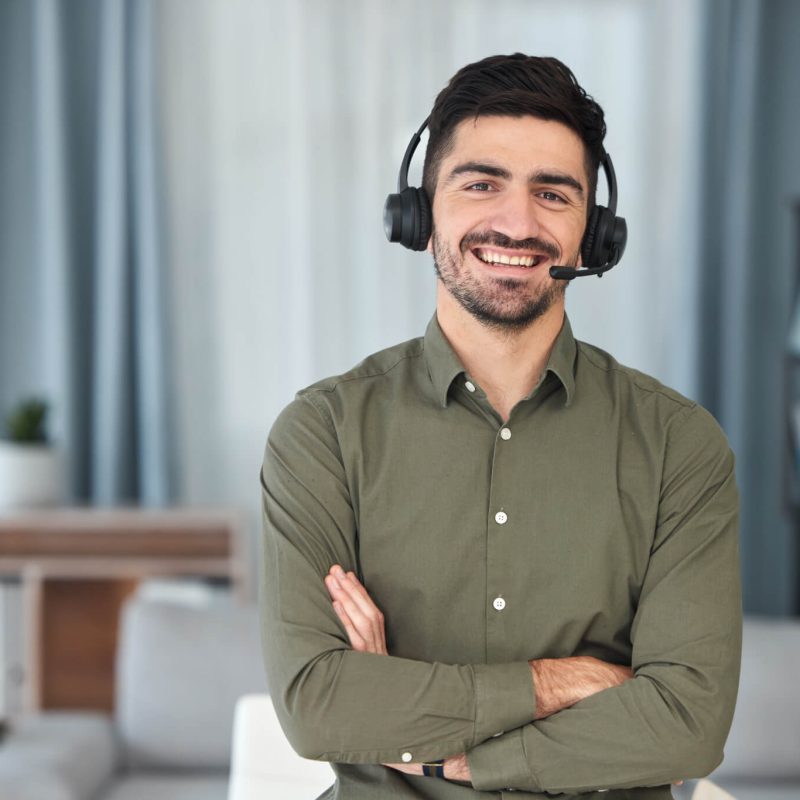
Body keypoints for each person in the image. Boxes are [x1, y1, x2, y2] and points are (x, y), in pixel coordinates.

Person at [260, 53, 742, 799]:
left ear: (594, 236)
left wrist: (433, 742)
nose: (517, 223)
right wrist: (561, 682)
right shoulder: (320, 434)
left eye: (552, 193)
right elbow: (318, 704)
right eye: (481, 184)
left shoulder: (681, 446)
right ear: (420, 215)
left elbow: (688, 723)